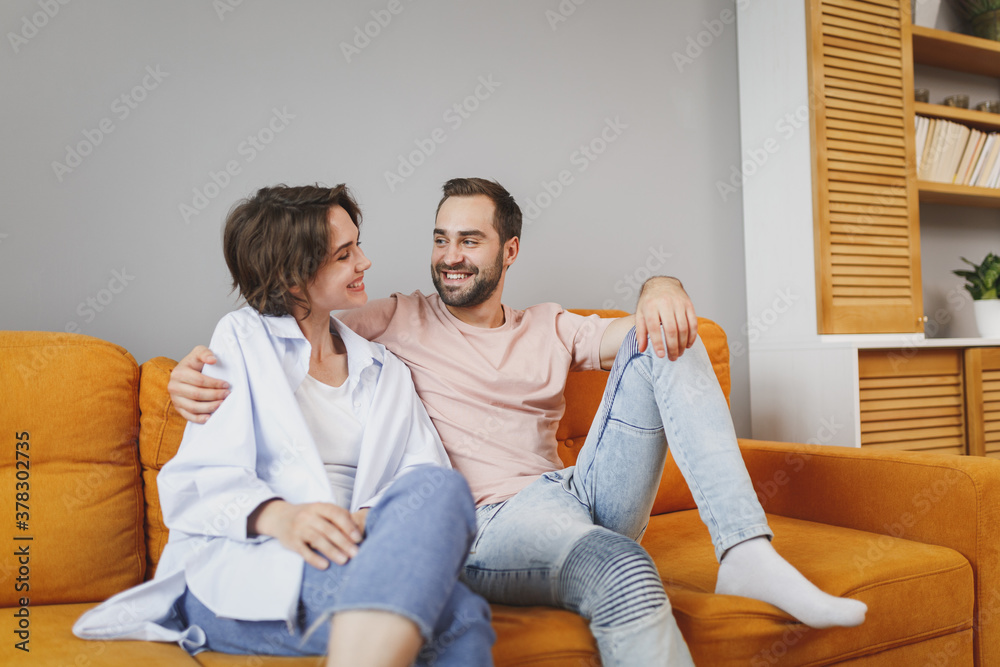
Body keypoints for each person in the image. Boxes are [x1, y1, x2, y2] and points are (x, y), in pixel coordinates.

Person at [169, 178, 867, 666]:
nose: (449, 255)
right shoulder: (392, 321)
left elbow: (642, 331)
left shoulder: (548, 325)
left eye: (470, 240)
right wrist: (191, 371)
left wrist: (662, 287)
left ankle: (743, 549)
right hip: (495, 523)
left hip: (574, 495)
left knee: (663, 335)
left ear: (510, 251)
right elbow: (288, 320)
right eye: (441, 238)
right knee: (622, 567)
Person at [73, 184, 495, 667]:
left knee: (441, 487)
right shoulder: (240, 340)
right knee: (460, 616)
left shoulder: (383, 367)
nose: (364, 262)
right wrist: (283, 517)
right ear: (294, 279)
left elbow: (420, 477)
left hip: (359, 552)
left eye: (357, 244)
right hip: (251, 566)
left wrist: (367, 523)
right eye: (344, 254)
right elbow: (198, 479)